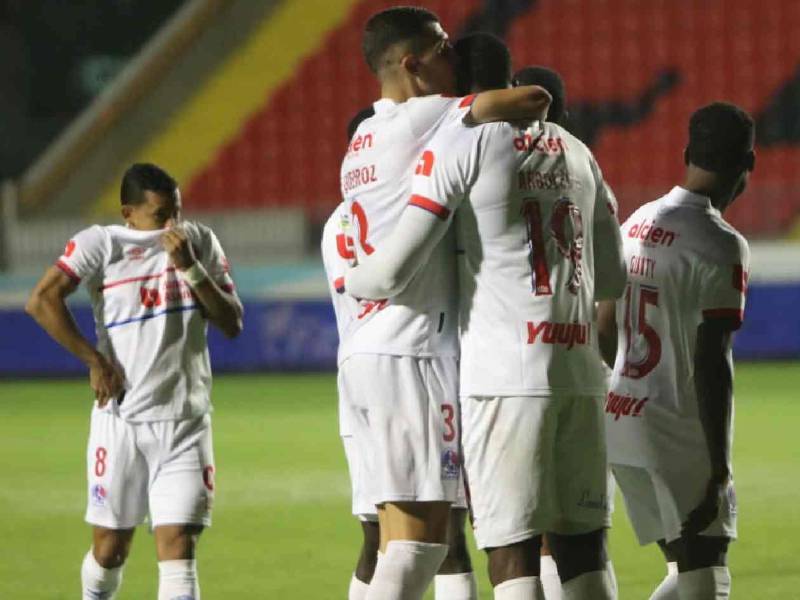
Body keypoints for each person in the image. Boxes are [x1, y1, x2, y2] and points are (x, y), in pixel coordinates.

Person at [343, 32, 625, 599]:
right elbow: (612, 279)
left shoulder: (462, 145)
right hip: (579, 372)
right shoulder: (577, 150)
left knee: (512, 551)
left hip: (503, 376)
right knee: (582, 548)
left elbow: (393, 271)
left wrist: (353, 276)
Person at [337, 7, 551, 599]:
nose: (451, 53)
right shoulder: (427, 119)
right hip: (411, 348)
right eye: (439, 47)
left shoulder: (363, 137)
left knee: (402, 538)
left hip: (366, 348)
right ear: (411, 65)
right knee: (419, 543)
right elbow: (528, 100)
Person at [25, 162, 243, 600]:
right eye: (161, 216)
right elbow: (42, 300)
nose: (172, 227)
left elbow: (231, 322)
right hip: (121, 421)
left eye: (177, 213)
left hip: (186, 422)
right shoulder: (102, 245)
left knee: (179, 547)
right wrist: (94, 360)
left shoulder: (198, 242)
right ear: (129, 213)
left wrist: (191, 268)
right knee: (110, 550)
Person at [597, 102, 755, 600]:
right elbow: (711, 362)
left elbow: (603, 327)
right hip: (677, 427)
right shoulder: (720, 243)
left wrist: (630, 387)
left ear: (686, 153)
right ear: (747, 166)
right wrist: (718, 467)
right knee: (707, 574)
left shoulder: (636, 222)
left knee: (685, 566)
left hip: (622, 417)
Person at [328, 107, 476, 600]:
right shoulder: (401, 208)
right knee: (435, 539)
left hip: (361, 372)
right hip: (409, 361)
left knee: (384, 538)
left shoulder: (336, 224)